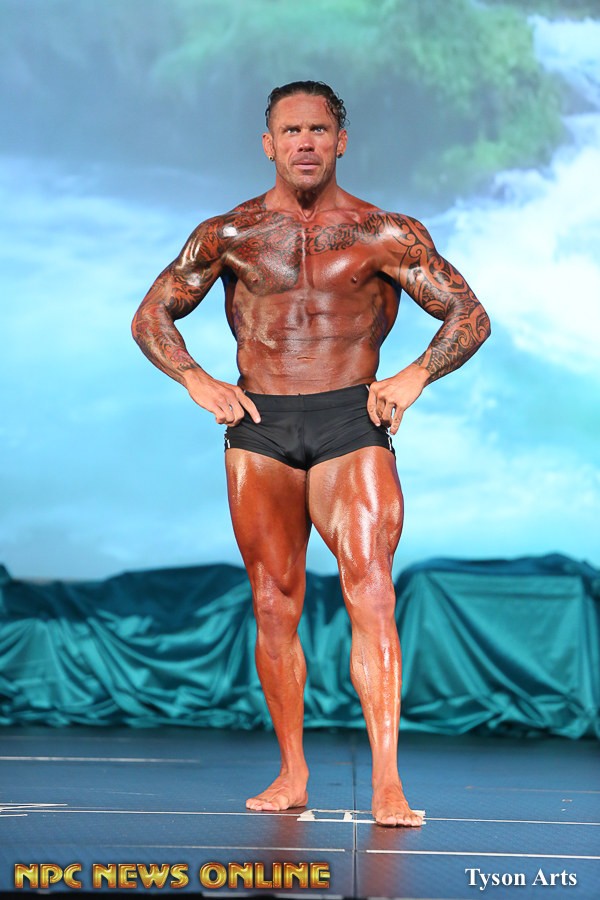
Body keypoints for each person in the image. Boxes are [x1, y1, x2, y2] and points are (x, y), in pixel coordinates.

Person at [131, 80, 490, 827]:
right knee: (273, 602)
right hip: (260, 423)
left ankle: (387, 782)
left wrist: (415, 374)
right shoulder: (228, 234)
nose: (305, 142)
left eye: (318, 130)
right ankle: (293, 772)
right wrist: (195, 378)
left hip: (349, 420)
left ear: (340, 141)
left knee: (372, 591)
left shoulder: (384, 233)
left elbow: (469, 314)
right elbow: (152, 314)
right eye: (291, 131)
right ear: (269, 143)